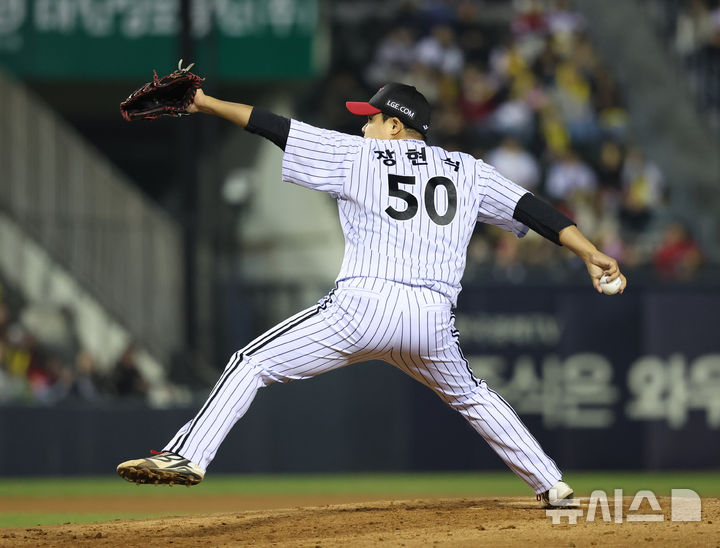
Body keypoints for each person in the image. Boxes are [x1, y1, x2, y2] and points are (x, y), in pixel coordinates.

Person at [117, 83, 627, 508]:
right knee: (472, 395)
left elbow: (274, 127)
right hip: (431, 319)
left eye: (371, 119)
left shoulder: (358, 155)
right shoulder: (468, 170)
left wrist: (206, 103)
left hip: (362, 307)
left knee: (250, 363)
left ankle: (188, 455)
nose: (364, 127)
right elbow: (534, 210)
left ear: (396, 126)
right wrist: (590, 253)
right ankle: (551, 484)